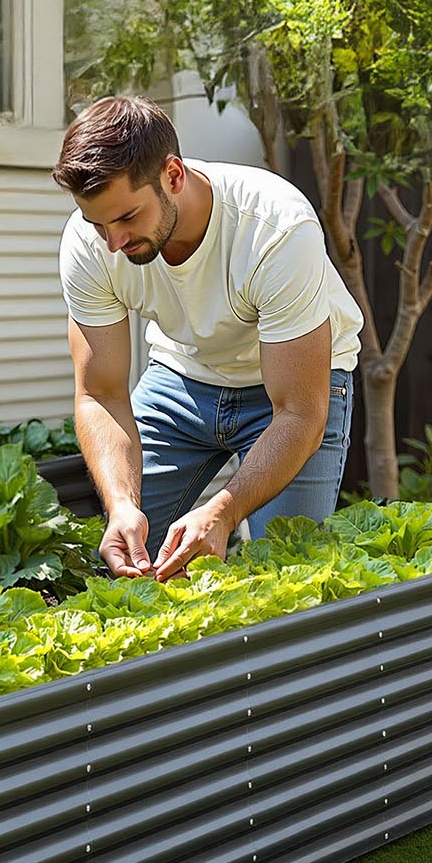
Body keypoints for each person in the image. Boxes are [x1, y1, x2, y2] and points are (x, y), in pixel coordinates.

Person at [54, 94, 363, 582]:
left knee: (286, 578)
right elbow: (101, 394)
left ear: (173, 176)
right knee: (126, 561)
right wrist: (121, 504)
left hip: (288, 397)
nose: (113, 243)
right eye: (98, 224)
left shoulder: (276, 229)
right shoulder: (88, 245)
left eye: (127, 218)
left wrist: (223, 510)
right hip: (182, 379)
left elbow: (300, 412)